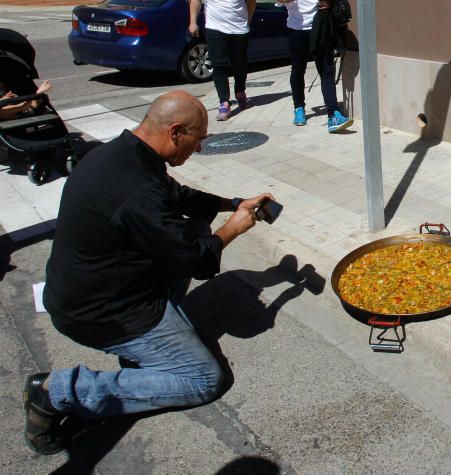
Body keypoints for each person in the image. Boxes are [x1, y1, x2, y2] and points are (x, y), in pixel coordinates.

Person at [24, 91, 273, 455]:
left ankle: (150, 353)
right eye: (198, 139)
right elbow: (198, 262)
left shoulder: (124, 154)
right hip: (102, 313)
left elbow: (179, 196)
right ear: (176, 132)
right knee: (204, 379)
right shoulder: (137, 188)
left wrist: (232, 204)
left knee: (196, 227)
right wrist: (234, 227)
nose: (200, 149)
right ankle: (58, 392)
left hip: (92, 287)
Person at [265, 0, 353, 133]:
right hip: (296, 26)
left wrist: (330, 2)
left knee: (326, 70)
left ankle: (333, 114)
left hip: (320, 27)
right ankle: (299, 107)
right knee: (298, 69)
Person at [189, 0, 257, 122]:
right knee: (218, 65)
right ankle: (224, 102)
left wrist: (247, 20)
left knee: (239, 65)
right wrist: (193, 22)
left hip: (238, 28)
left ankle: (240, 92)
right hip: (214, 27)